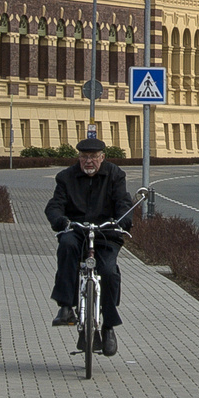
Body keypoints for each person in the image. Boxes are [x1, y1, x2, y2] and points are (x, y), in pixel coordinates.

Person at [45, 136, 132, 356]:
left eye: (93, 156)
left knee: (109, 272)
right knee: (66, 246)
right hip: (76, 231)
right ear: (79, 158)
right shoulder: (66, 177)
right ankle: (66, 307)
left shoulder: (115, 175)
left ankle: (109, 327)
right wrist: (60, 221)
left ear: (102, 157)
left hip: (106, 233)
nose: (89, 161)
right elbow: (55, 205)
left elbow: (123, 202)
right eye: (84, 157)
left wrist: (122, 222)